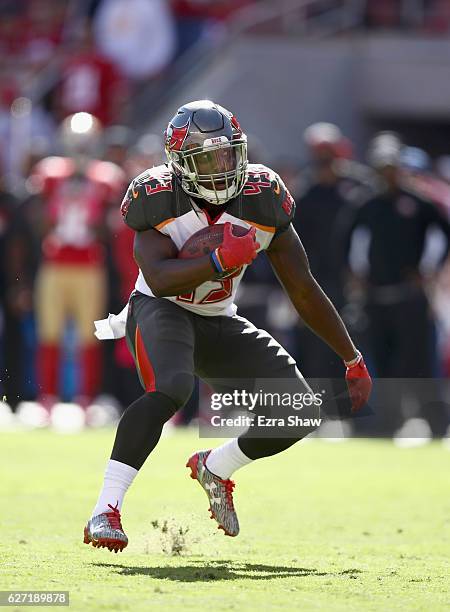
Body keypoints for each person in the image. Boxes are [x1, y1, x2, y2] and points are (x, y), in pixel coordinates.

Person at [84, 100, 372, 552]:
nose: (221, 168)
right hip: (160, 308)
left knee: (298, 409)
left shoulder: (262, 197)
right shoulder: (157, 197)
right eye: (207, 159)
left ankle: (215, 466)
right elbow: (157, 279)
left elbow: (302, 288)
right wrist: (218, 260)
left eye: (227, 155)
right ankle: (106, 508)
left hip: (219, 319)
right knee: (172, 389)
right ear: (180, 164)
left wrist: (351, 357)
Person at [344, 137, 450, 438]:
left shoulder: (418, 202)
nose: (387, 174)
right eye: (382, 168)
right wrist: (354, 275)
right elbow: (347, 240)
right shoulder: (366, 203)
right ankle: (388, 425)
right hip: (377, 297)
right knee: (383, 362)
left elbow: (444, 234)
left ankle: (436, 425)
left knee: (418, 362)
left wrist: (429, 271)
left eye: (391, 167)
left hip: (410, 296)